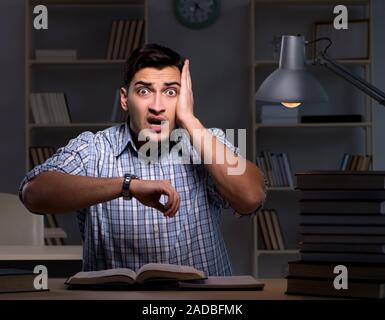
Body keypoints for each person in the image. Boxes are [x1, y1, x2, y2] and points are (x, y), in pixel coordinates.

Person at [19, 44, 266, 276]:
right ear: (125, 99)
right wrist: (127, 186)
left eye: (171, 92)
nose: (157, 106)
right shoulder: (94, 148)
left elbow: (251, 197)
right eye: (144, 91)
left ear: (185, 99)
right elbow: (34, 193)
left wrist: (190, 120)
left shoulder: (208, 142)